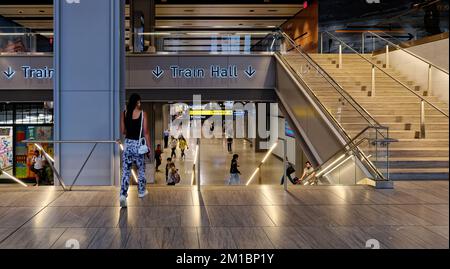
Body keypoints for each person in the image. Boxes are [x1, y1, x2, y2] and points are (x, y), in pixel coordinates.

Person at [119, 93, 151, 208]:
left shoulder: (124, 114)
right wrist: (149, 148)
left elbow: (123, 131)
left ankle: (123, 195)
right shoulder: (143, 114)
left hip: (127, 144)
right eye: (139, 102)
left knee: (126, 171)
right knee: (141, 169)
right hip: (138, 145)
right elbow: (146, 132)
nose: (140, 104)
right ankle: (141, 191)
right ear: (137, 102)